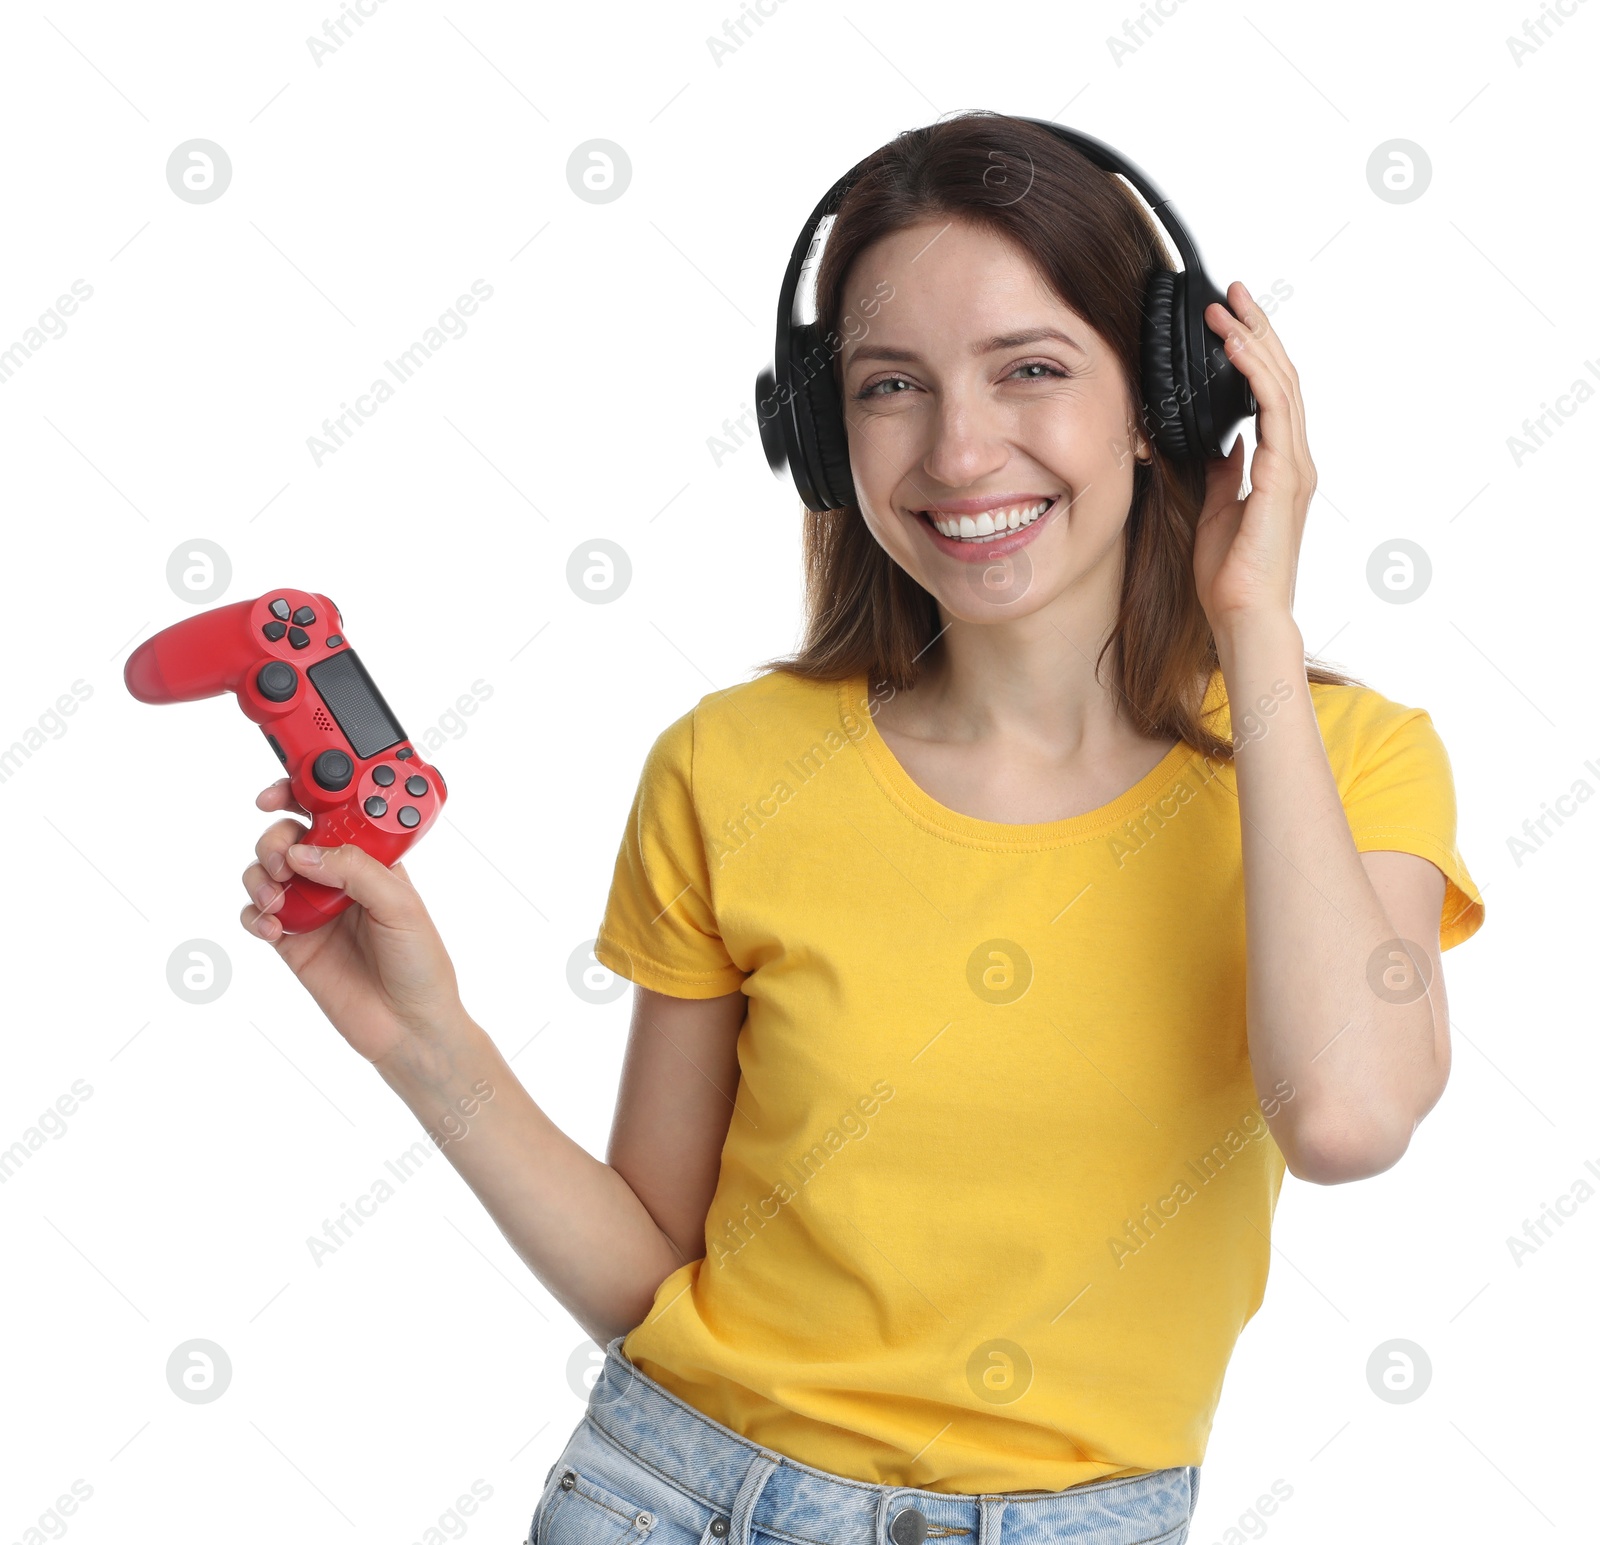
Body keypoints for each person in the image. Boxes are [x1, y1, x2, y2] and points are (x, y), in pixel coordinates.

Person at [238, 112, 1485, 1545]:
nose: (960, 450)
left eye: (1031, 369)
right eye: (894, 386)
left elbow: (1345, 1116)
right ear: (825, 435)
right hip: (668, 1494)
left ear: (1166, 396)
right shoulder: (729, 764)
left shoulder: (1346, 763)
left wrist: (1254, 617)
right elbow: (654, 1277)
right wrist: (422, 1039)